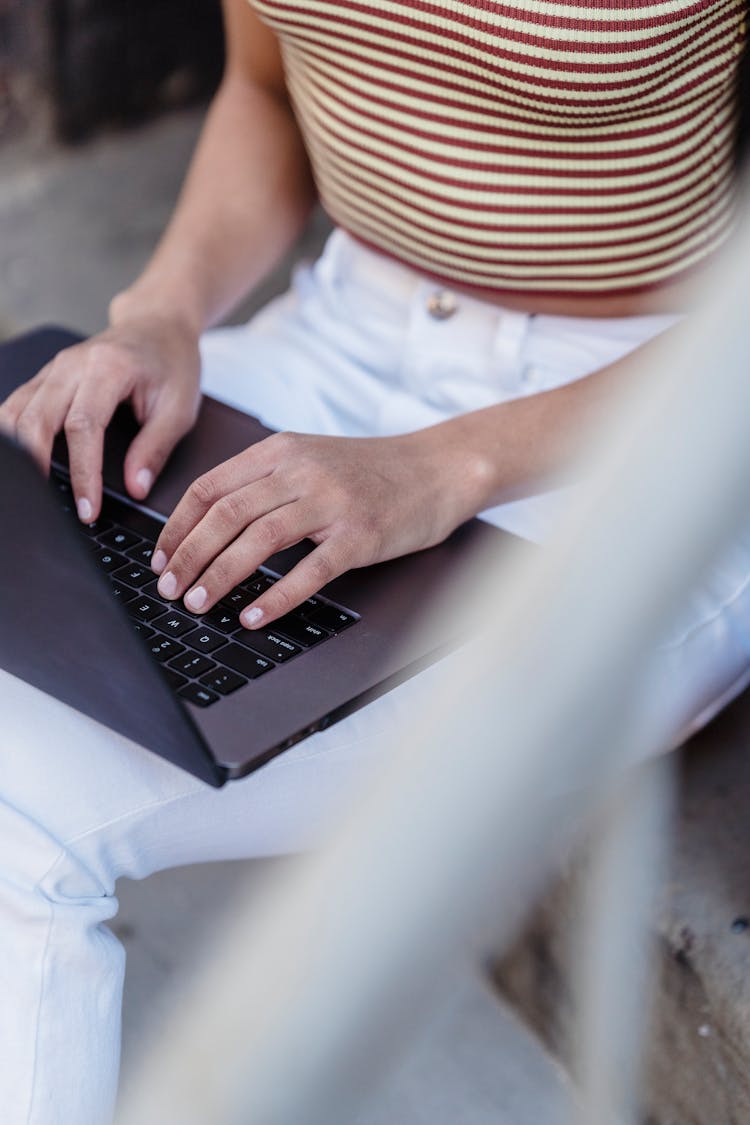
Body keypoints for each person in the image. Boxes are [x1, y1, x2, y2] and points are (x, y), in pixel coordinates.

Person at [1, 1, 749, 1120]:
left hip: (648, 429)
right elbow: (265, 87)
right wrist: (159, 316)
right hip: (339, 336)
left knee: (17, 831)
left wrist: (445, 470)